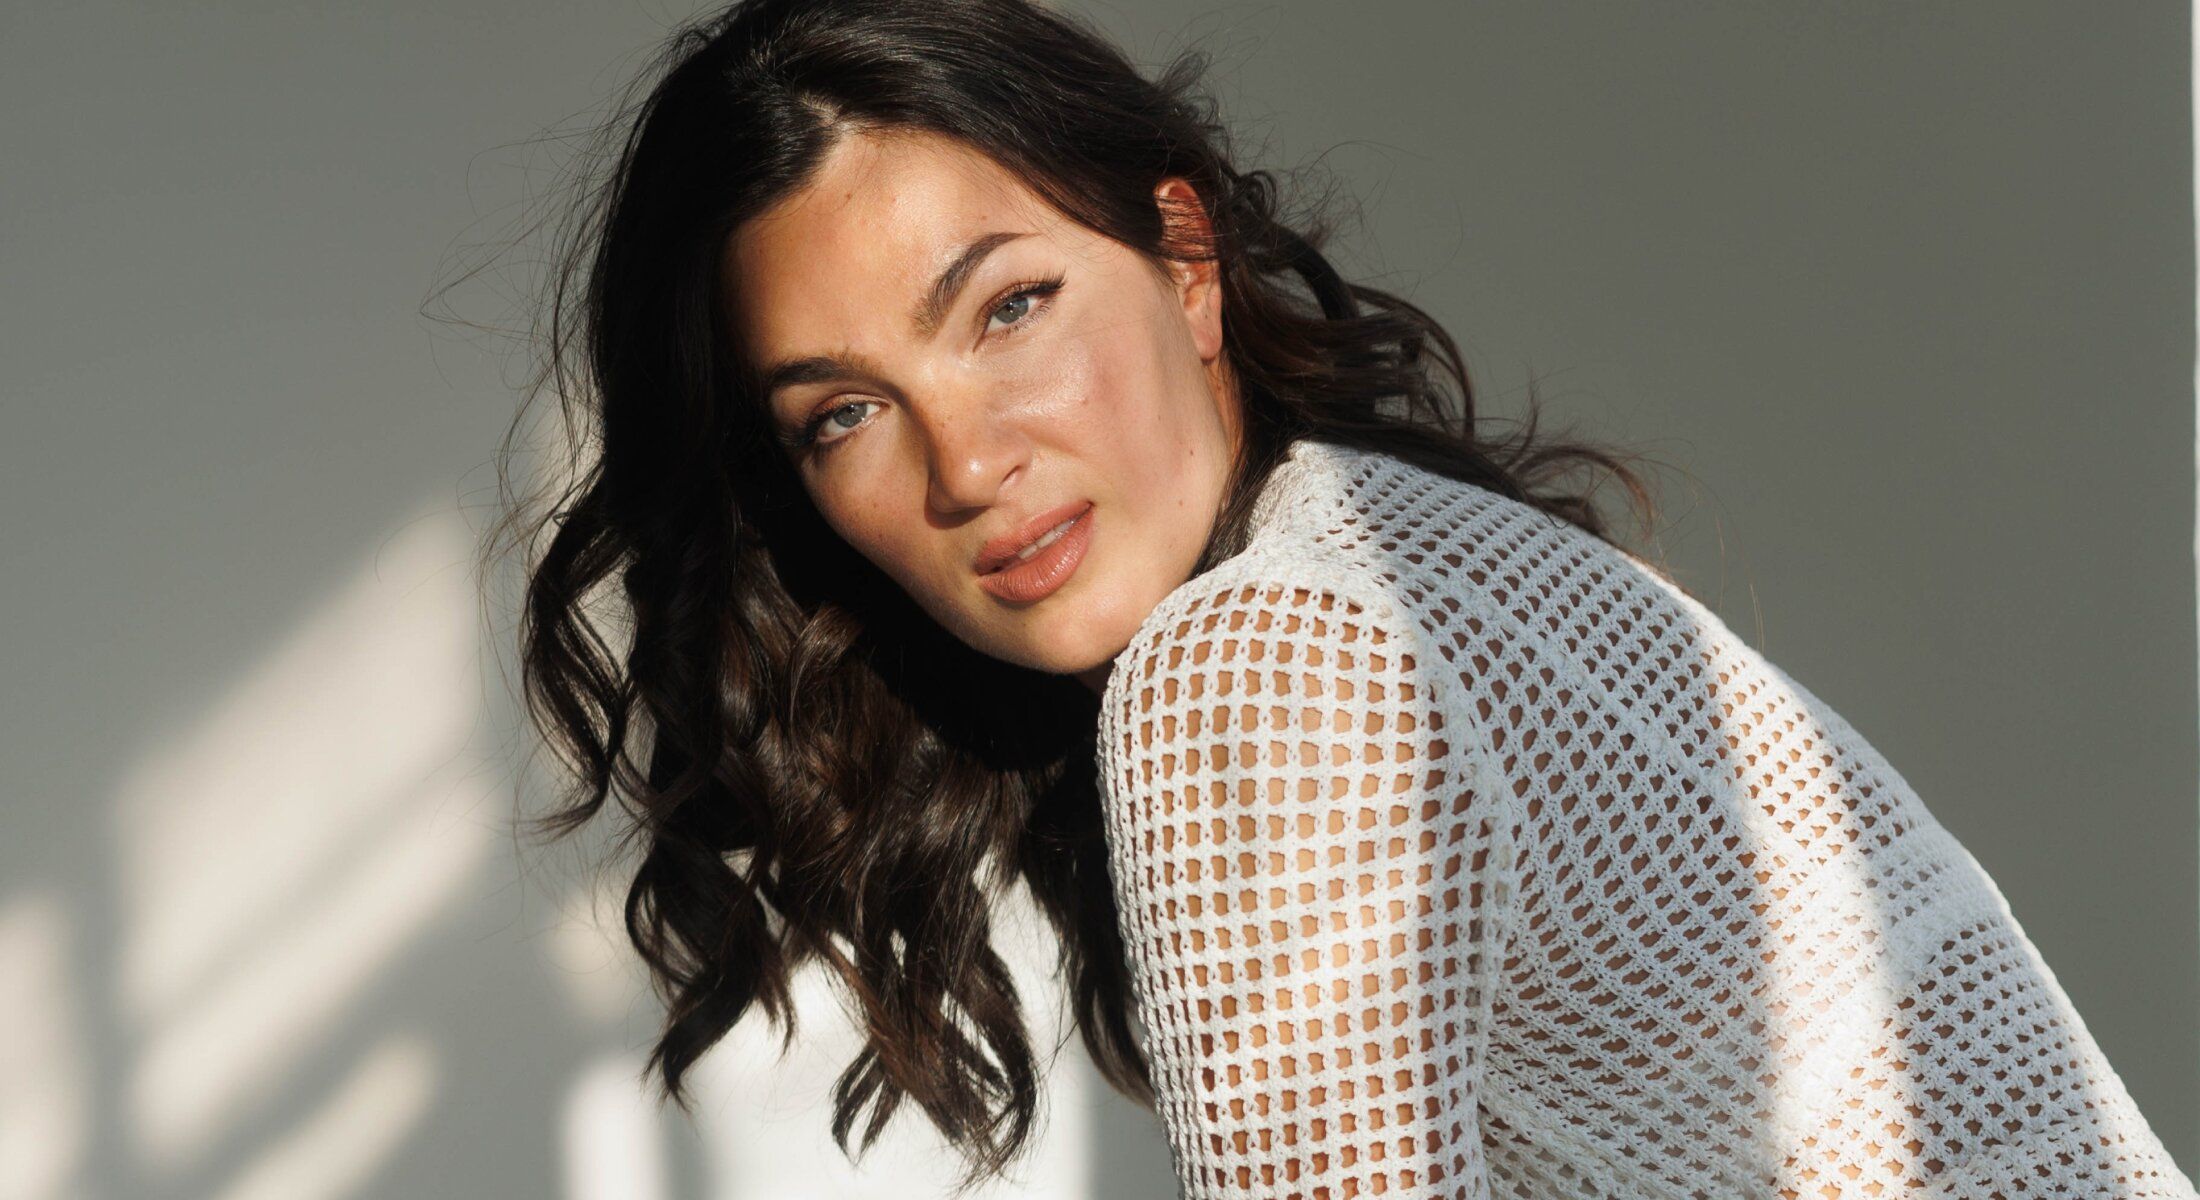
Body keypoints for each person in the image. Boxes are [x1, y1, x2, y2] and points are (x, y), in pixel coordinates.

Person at [488, 0, 2200, 1195]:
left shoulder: (1262, 662)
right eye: (844, 413)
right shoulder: (1397, 557)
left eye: (1007, 308)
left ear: (1185, 262)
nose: (965, 464)